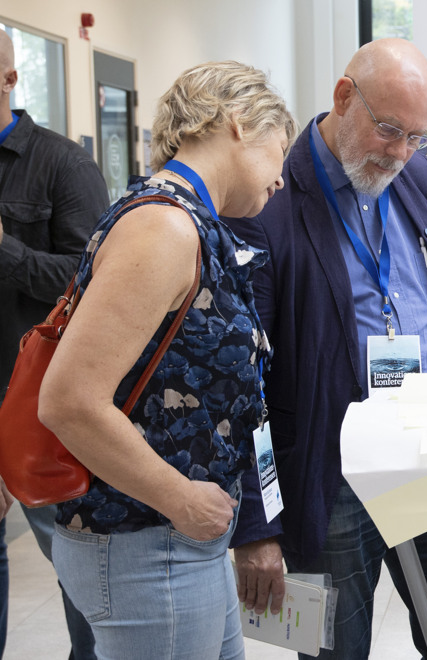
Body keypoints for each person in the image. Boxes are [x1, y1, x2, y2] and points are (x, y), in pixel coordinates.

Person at [228, 38, 427, 660]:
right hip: (329, 471)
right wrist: (256, 528)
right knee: (331, 650)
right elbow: (243, 383)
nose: (401, 152)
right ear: (344, 97)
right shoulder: (269, 201)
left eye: (417, 136)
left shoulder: (420, 176)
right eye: (389, 130)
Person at [37, 60, 295, 659]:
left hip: (177, 539)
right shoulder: (164, 227)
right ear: (237, 124)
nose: (281, 178)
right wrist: (181, 497)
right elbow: (69, 401)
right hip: (147, 542)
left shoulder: (195, 223)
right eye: (279, 149)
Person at [0, 30, 107, 660]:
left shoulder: (64, 164)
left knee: (74, 555)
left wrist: (4, 251)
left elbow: (88, 281)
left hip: (36, 402)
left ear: (10, 80)